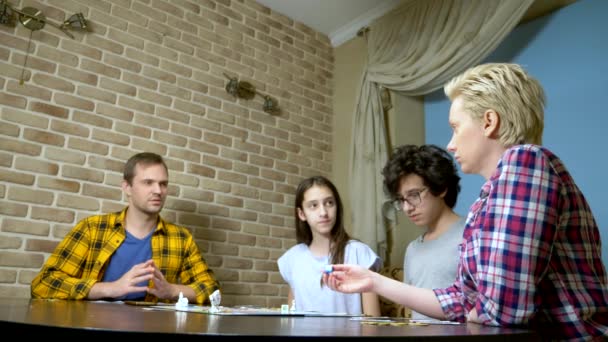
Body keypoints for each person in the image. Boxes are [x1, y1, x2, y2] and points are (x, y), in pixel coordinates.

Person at [324, 63, 608, 341]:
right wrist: (373, 280)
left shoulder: (525, 161)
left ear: (489, 121)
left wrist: (477, 310)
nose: (450, 143)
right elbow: (461, 300)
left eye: (455, 127)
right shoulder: (484, 204)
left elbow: (503, 312)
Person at [31, 152, 220, 305]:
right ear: (127, 187)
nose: (158, 191)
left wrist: (171, 291)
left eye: (163, 184)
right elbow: (42, 284)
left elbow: (212, 290)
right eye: (148, 182)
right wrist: (110, 288)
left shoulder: (181, 238)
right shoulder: (92, 228)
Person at [382, 144, 465, 321]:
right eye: (401, 200)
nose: (407, 208)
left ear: (441, 187)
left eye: (414, 195)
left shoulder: (471, 235)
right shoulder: (413, 249)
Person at [278, 175, 382, 316]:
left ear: (337, 207)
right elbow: (291, 317)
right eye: (313, 205)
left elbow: (373, 321)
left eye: (329, 203)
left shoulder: (359, 252)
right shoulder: (292, 258)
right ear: (301, 213)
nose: (323, 212)